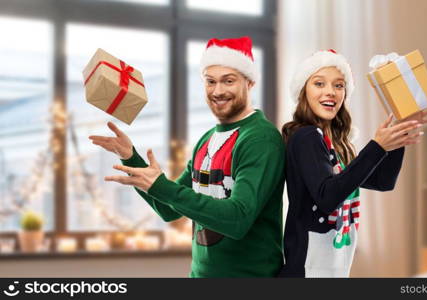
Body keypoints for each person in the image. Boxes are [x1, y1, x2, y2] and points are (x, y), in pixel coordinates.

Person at [89, 36, 285, 277]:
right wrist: (131, 158)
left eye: (229, 81)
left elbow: (237, 219)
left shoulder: (260, 139)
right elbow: (169, 209)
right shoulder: (207, 140)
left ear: (250, 82)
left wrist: (161, 185)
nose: (218, 91)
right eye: (210, 81)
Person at [279, 49, 427, 277]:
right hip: (307, 268)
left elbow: (383, 182)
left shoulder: (332, 142)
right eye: (319, 83)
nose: (330, 92)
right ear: (304, 91)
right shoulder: (306, 136)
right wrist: (377, 146)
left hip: (331, 267)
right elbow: (327, 197)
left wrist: (396, 135)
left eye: (339, 85)